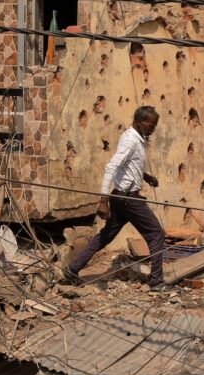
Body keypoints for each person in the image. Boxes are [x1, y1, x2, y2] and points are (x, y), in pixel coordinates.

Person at [63, 106, 169, 289]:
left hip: (122, 197)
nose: (153, 129)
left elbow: (129, 165)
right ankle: (156, 281)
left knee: (105, 236)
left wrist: (146, 177)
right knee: (156, 233)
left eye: (155, 126)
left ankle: (73, 268)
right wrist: (103, 201)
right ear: (139, 122)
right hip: (128, 199)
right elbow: (111, 167)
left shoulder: (137, 138)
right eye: (151, 125)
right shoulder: (131, 140)